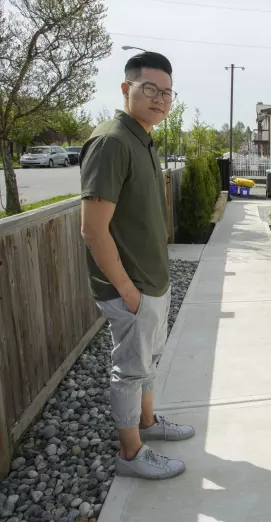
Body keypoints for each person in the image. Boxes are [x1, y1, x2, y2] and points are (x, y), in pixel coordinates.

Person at [80, 52, 193, 480]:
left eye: (167, 92)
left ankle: (148, 423)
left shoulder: (142, 138)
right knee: (129, 371)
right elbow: (93, 230)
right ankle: (131, 455)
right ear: (126, 89)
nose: (160, 99)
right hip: (132, 288)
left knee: (147, 363)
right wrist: (128, 291)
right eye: (150, 89)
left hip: (152, 284)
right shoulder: (112, 141)